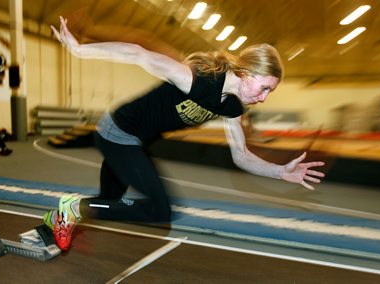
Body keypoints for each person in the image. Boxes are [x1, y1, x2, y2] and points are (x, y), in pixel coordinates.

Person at [45, 16, 325, 251]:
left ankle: (55, 222)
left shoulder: (232, 105)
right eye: (264, 88)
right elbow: (138, 54)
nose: (264, 98)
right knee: (159, 210)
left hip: (137, 140)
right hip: (118, 132)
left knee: (107, 203)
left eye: (269, 92)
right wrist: (80, 50)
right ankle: (70, 208)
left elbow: (241, 155)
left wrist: (280, 172)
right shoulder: (197, 80)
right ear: (246, 72)